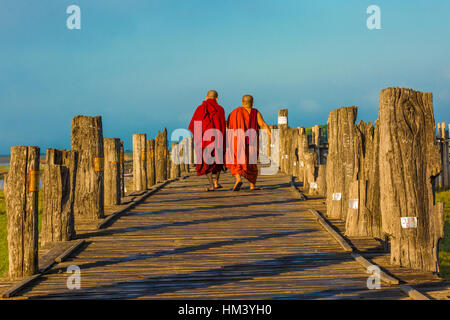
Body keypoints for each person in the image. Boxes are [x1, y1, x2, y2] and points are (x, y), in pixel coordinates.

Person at [226, 94, 271, 191]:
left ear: (242, 103)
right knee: (252, 162)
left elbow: (229, 125)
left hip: (237, 141)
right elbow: (262, 124)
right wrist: (270, 134)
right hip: (252, 141)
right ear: (253, 103)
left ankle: (238, 178)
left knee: (235, 160)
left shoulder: (235, 112)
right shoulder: (255, 112)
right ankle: (252, 185)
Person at [188, 90, 226, 191]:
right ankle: (216, 183)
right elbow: (222, 126)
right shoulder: (220, 109)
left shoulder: (200, 108)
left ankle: (211, 185)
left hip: (205, 140)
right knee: (218, 162)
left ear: (206, 97)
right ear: (217, 98)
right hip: (218, 138)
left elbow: (194, 125)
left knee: (206, 163)